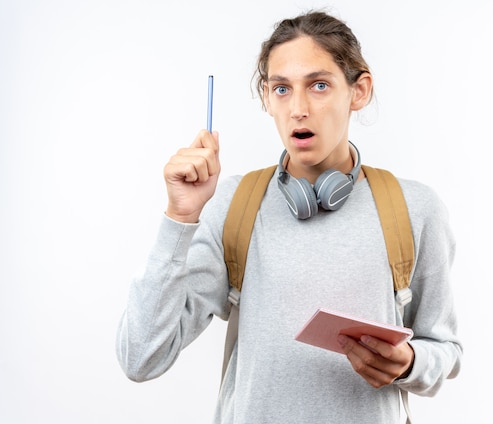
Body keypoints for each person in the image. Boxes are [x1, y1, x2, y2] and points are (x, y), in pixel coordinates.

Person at [116, 10, 462, 424]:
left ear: (359, 90)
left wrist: (409, 362)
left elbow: (445, 350)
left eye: (318, 85)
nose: (298, 108)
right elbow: (140, 357)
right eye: (281, 88)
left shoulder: (415, 208)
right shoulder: (234, 205)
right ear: (266, 96)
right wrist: (180, 217)